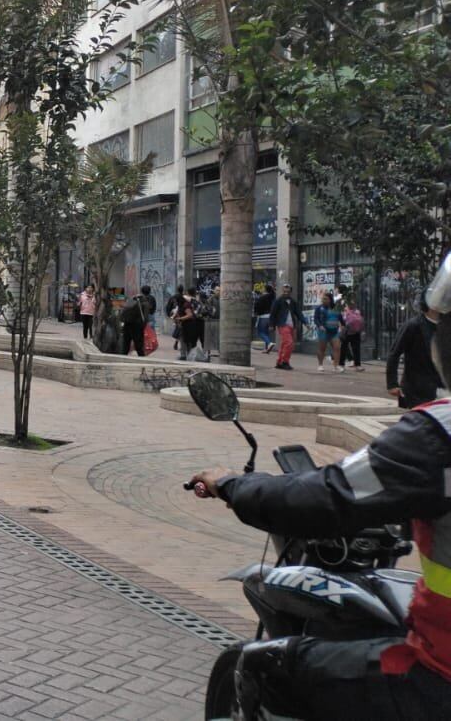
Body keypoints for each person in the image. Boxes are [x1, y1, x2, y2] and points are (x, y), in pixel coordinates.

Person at [183, 251, 451, 719]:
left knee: (264, 666)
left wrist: (231, 484)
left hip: (439, 673)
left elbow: (329, 495)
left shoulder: (438, 434)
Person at [387, 295, 443, 409]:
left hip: (442, 386)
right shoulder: (413, 325)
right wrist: (392, 384)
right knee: (422, 424)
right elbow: (394, 353)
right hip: (417, 388)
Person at [270, 284, 302, 370]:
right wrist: (271, 325)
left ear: (290, 292)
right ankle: (285, 361)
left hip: (291, 325)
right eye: (284, 291)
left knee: (284, 344)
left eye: (288, 292)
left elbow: (298, 313)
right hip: (282, 324)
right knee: (289, 342)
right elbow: (273, 313)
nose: (286, 293)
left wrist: (305, 322)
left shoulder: (293, 302)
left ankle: (279, 362)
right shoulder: (278, 301)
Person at [313, 292, 344, 372]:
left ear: (330, 300)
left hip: (334, 332)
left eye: (325, 299)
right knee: (322, 348)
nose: (323, 300)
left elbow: (341, 319)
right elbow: (316, 319)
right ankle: (320, 365)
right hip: (324, 331)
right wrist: (320, 326)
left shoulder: (336, 309)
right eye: (323, 299)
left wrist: (343, 326)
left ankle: (336, 366)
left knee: (337, 347)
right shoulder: (319, 308)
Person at [341, 299, 366, 370]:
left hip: (355, 332)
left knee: (356, 349)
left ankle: (357, 365)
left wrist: (362, 330)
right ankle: (342, 364)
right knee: (345, 348)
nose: (352, 304)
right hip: (348, 332)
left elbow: (361, 321)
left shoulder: (357, 311)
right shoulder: (346, 311)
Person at [253, 284, 275, 354]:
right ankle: (267, 348)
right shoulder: (272, 297)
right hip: (270, 316)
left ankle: (269, 343)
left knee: (261, 332)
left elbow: (257, 306)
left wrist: (256, 312)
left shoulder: (262, 297)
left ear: (265, 290)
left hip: (263, 316)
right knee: (266, 332)